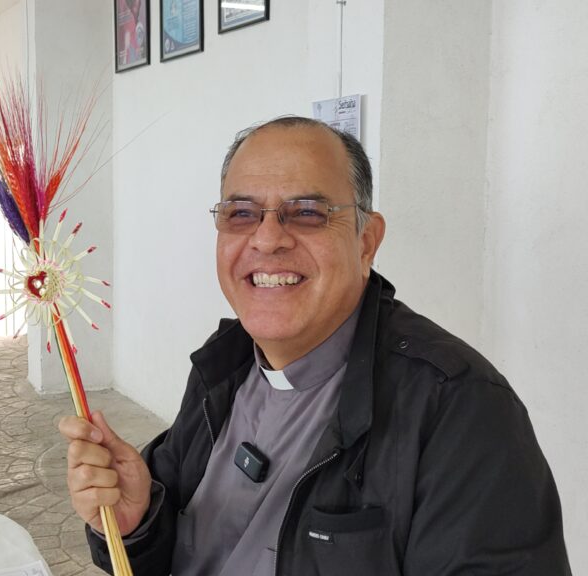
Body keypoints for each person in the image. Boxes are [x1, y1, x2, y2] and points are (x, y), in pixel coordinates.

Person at [59, 116, 571, 575]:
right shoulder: (225, 364)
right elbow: (161, 551)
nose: (267, 239)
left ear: (366, 242)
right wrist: (133, 522)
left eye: (306, 212)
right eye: (241, 213)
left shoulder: (458, 409)